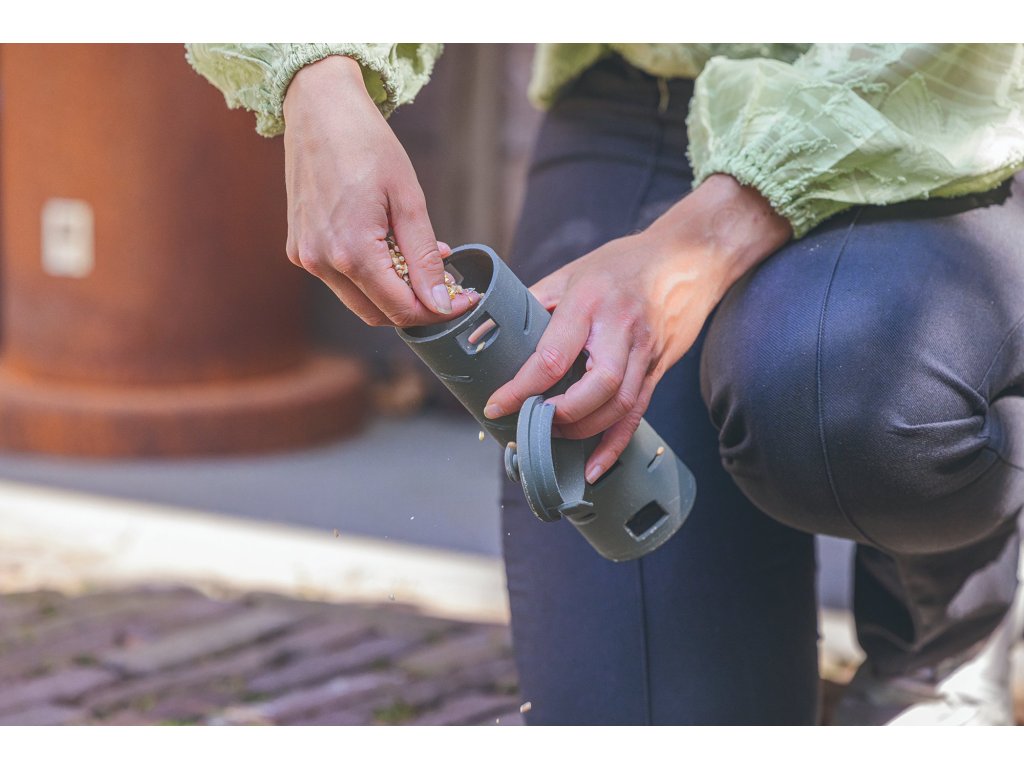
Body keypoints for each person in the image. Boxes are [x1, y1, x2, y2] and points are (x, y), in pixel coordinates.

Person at [186, 43, 1024, 725]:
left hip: (933, 112)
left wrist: (700, 243)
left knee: (847, 404)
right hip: (644, 93)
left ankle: (941, 639)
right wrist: (318, 78)